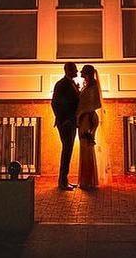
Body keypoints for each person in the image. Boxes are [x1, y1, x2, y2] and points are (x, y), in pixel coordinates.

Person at [50, 62, 80, 190]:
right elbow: (55, 103)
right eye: (75, 70)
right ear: (68, 70)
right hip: (66, 123)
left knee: (68, 150)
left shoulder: (72, 83)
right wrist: (63, 119)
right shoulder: (61, 84)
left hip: (71, 122)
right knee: (67, 150)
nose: (77, 72)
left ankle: (64, 179)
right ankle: (62, 181)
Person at [76, 64, 102, 190]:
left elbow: (94, 104)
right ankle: (86, 180)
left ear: (87, 74)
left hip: (87, 118)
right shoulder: (87, 86)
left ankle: (88, 180)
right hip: (84, 118)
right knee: (85, 148)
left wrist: (81, 113)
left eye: (83, 73)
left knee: (86, 148)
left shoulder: (93, 87)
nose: (80, 74)